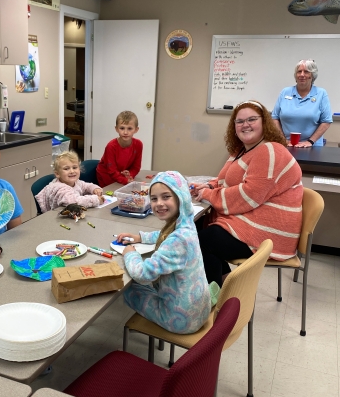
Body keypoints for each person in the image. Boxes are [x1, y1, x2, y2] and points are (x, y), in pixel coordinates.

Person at [190, 100, 303, 288]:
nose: (245, 125)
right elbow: (224, 179)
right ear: (234, 127)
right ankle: (227, 287)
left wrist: (209, 195)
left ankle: (213, 304)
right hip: (254, 220)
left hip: (268, 233)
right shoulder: (242, 150)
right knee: (195, 229)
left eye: (252, 119)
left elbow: (248, 196)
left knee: (201, 241)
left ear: (264, 122)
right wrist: (208, 187)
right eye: (240, 121)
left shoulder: (269, 151)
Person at [116, 171, 212, 334]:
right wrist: (140, 237)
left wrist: (130, 253)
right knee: (146, 286)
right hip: (199, 310)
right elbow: (165, 235)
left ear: (180, 197)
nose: (159, 203)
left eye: (166, 197)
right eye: (154, 199)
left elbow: (143, 274)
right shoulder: (187, 224)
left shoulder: (177, 241)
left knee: (130, 289)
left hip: (181, 320)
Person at [272, 59, 332, 147]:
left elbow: (326, 121)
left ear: (312, 75)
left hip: (312, 146)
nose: (302, 75)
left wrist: (310, 142)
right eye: (299, 71)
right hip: (286, 145)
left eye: (306, 72)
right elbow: (275, 118)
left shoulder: (321, 93)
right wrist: (283, 140)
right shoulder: (285, 92)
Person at [35, 150, 104, 213]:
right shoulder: (59, 188)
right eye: (66, 169)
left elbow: (86, 186)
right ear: (57, 174)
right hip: (57, 220)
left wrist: (95, 189)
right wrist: (95, 199)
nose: (72, 171)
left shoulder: (76, 182)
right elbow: (73, 202)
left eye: (74, 167)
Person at [96, 110, 143, 187]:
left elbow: (136, 167)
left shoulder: (138, 144)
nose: (125, 132)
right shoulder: (111, 146)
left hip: (121, 175)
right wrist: (125, 180)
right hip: (106, 176)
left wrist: (129, 174)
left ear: (136, 130)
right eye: (122, 128)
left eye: (129, 128)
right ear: (116, 129)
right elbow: (111, 171)